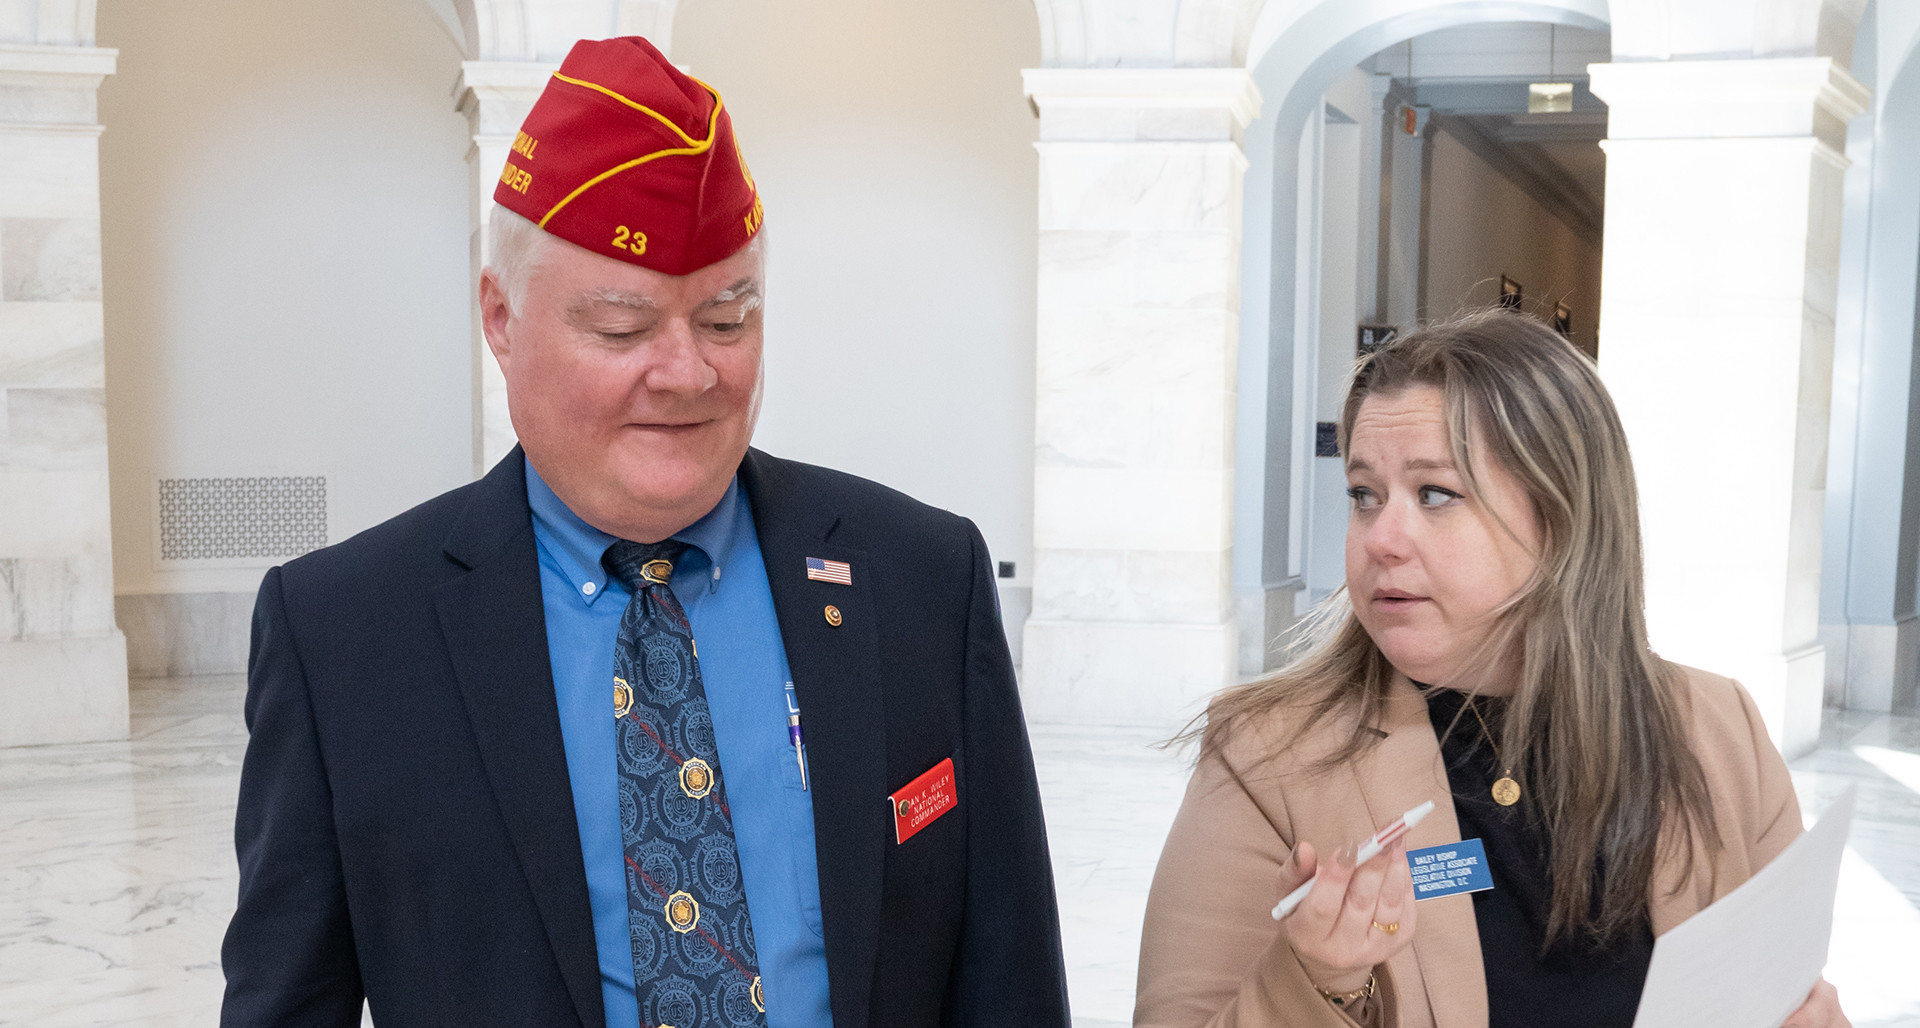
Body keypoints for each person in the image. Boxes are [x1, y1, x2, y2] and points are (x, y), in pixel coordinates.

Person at [219, 36, 1070, 1028]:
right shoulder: (345, 635)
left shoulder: (920, 579)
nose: (687, 374)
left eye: (726, 318)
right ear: (501, 317)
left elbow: (1010, 983)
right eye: (623, 329)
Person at [1132, 309, 1847, 1028]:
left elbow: (1789, 993)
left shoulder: (1720, 730)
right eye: (1363, 495)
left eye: (1434, 494)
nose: (1380, 538)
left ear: (1563, 516)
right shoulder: (1266, 754)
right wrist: (1320, 980)